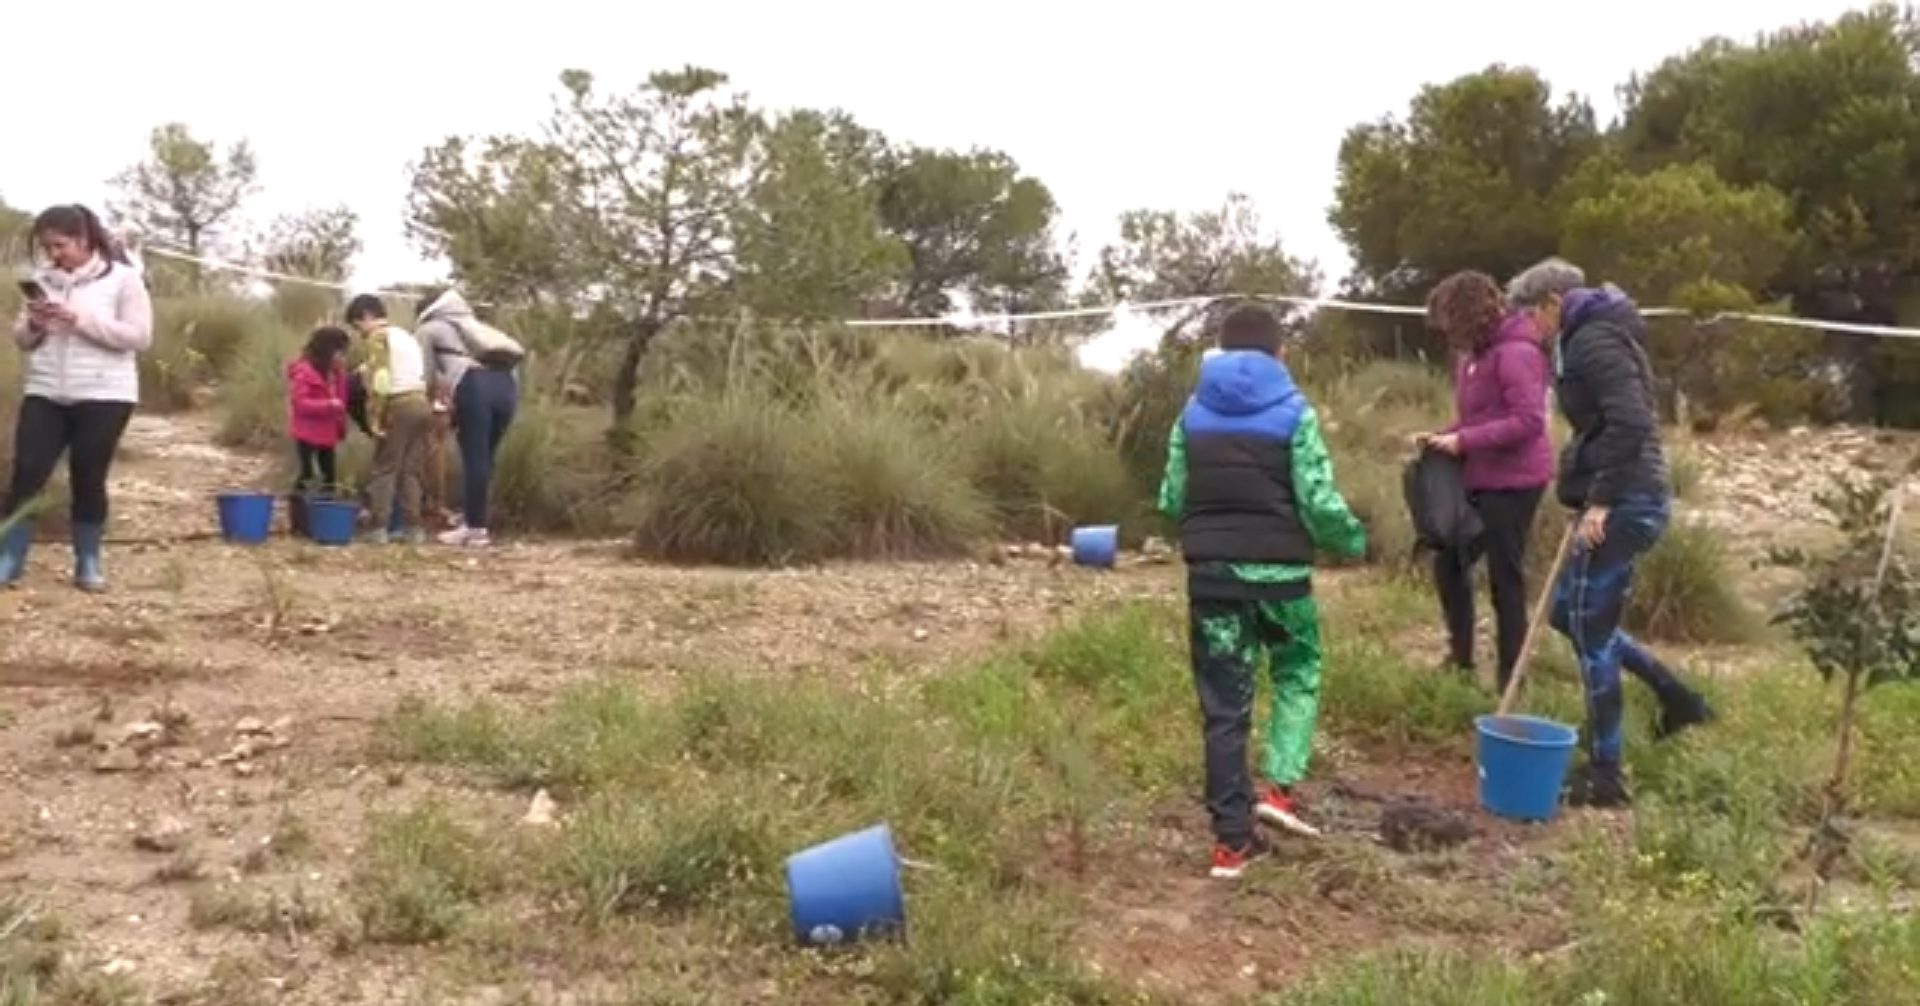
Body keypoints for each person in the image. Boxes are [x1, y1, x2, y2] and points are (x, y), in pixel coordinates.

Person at [1158, 303, 1368, 879]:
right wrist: (1351, 541)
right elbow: (1319, 501)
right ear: (1281, 353)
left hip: (1213, 579)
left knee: (1224, 707)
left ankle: (1230, 845)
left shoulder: (1191, 415)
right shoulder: (1296, 413)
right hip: (1282, 579)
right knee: (1297, 669)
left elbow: (1172, 496)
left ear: (1220, 353)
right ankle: (1278, 790)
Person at [1506, 258, 1715, 808]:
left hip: (1628, 501)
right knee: (1567, 616)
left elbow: (1631, 422)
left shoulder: (1593, 341)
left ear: (1552, 301)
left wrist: (1600, 498)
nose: (1529, 327)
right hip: (1618, 493)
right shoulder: (1587, 336)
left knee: (1590, 631)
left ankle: (1607, 774)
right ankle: (1678, 699)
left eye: (1530, 314)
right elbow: (1605, 424)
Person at [2, 204, 154, 591]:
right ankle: (10, 557)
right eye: (47, 247)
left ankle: (87, 560)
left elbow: (138, 337)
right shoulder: (43, 279)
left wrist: (79, 320)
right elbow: (22, 340)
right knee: (27, 473)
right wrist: (35, 323)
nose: (54, 254)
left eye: (60, 245)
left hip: (104, 393)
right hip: (46, 389)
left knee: (88, 476)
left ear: (84, 239)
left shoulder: (124, 280)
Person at [1416, 270, 1553, 694]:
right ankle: (1460, 660)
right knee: (1450, 561)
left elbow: (1528, 422)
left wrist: (1464, 440)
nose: (1446, 334)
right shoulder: (1472, 357)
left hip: (1516, 480)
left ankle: (1511, 679)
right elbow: (1480, 417)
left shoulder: (1516, 353)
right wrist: (1446, 435)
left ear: (1467, 315)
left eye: (1449, 322)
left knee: (1504, 576)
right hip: (1480, 474)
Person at [414, 288, 522, 548]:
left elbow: (426, 376)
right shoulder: (477, 327)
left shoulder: (429, 329)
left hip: (474, 386)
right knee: (486, 458)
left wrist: (429, 406)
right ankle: (474, 516)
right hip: (507, 388)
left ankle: (475, 530)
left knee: (474, 458)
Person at [343, 294, 432, 545]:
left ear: (368, 316)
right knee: (410, 470)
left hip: (399, 405)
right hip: (421, 404)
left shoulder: (378, 338)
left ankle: (378, 528)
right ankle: (414, 529)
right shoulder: (406, 336)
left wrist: (375, 418)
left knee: (385, 468)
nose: (359, 332)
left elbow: (380, 381)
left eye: (357, 325)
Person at [285, 326, 351, 534]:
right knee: (307, 473)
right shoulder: (304, 372)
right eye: (340, 351)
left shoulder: (336, 373)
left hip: (327, 433)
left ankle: (322, 519)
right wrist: (328, 405)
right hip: (307, 432)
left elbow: (342, 400)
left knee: (329, 476)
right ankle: (298, 522)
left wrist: (340, 425)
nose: (342, 356)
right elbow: (300, 403)